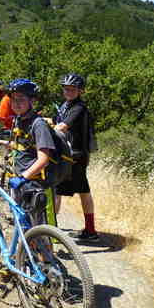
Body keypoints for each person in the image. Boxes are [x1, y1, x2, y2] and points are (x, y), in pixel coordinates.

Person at [53, 73, 99, 242]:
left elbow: (62, 127)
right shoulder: (67, 105)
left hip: (74, 156)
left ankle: (51, 231)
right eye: (66, 88)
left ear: (80, 91)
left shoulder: (78, 108)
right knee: (83, 191)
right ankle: (90, 230)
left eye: (72, 89)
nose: (68, 91)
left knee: (56, 189)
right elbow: (55, 120)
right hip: (75, 155)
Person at [4, 78, 55, 226]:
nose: (16, 103)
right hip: (20, 183)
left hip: (34, 185)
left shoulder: (38, 124)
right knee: (23, 226)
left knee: (39, 231)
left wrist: (23, 177)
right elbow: (22, 146)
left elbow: (43, 159)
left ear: (31, 100)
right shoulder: (18, 120)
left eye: (21, 99)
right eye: (13, 99)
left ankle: (43, 249)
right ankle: (26, 249)